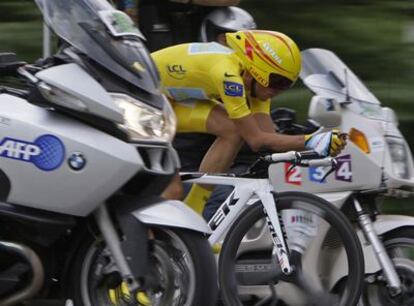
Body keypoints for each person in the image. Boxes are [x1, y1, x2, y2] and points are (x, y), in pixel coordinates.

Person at [152, 30, 347, 215]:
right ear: (257, 70)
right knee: (172, 190)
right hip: (145, 97)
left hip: (171, 99)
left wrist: (316, 149)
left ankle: (194, 213)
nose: (278, 90)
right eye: (277, 81)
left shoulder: (257, 84)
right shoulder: (228, 76)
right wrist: (312, 141)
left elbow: (271, 141)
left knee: (233, 131)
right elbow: (257, 140)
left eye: (287, 84)